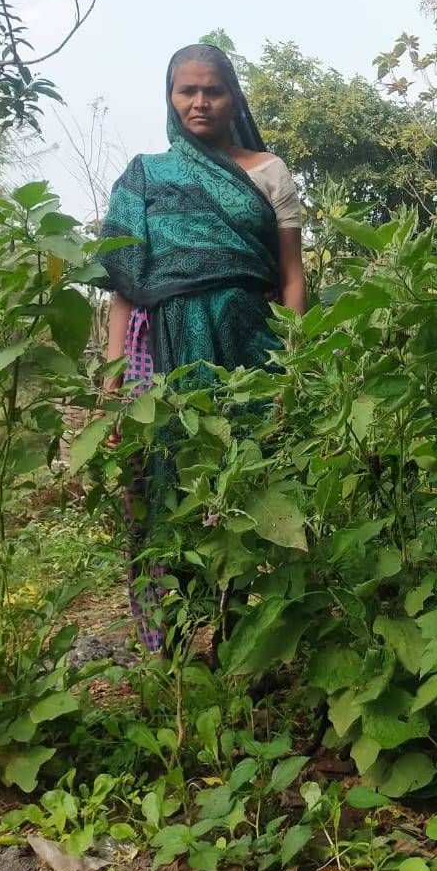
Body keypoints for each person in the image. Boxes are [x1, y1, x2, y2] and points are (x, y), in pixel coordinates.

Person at [96, 43, 306, 651]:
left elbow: (292, 277)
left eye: (212, 89)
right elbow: (122, 287)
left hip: (251, 345)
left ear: (234, 96)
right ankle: (182, 642)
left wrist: (293, 363)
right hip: (159, 353)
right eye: (185, 90)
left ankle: (246, 634)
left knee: (250, 477)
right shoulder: (144, 176)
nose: (199, 101)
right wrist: (111, 381)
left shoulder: (267, 171)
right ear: (169, 98)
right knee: (169, 486)